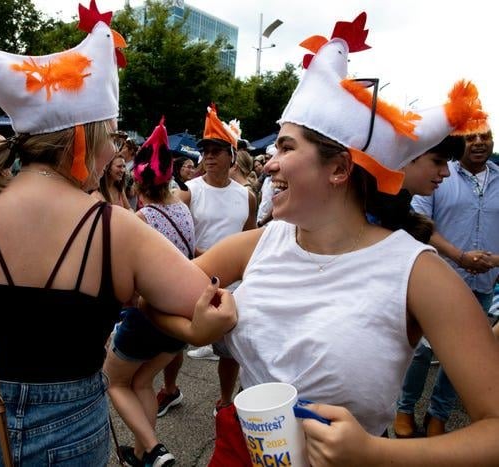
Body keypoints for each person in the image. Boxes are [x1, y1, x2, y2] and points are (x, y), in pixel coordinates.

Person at [0, 10, 234, 466]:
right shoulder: (117, 230)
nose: (114, 152)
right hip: (69, 431)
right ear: (83, 141)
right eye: (111, 136)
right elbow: (209, 304)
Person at [151, 12, 499, 465]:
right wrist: (193, 329)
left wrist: (374, 452)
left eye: (287, 147)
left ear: (338, 169)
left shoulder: (416, 273)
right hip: (239, 451)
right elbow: (151, 295)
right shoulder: (261, 243)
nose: (269, 163)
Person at [394, 122, 499, 437]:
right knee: (422, 351)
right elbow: (421, 223)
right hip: (437, 280)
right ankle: (404, 408)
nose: (479, 142)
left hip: (484, 283)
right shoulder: (440, 175)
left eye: (485, 136)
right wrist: (460, 257)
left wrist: (494, 261)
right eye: (472, 137)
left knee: (465, 356)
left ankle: (438, 414)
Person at [103, 118, 195, 466]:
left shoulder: (141, 220)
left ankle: (155, 448)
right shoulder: (183, 209)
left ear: (137, 180)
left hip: (147, 317)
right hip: (179, 320)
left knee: (114, 382)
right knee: (142, 382)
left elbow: (128, 279)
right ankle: (142, 454)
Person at [181, 106, 257, 417]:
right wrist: (206, 257)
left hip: (235, 287)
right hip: (196, 281)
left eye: (216, 151)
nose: (209, 157)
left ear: (232, 155)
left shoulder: (247, 197)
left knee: (231, 352)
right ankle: (169, 388)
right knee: (175, 346)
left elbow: (251, 238)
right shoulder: (188, 192)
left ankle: (226, 401)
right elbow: (180, 242)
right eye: (205, 151)